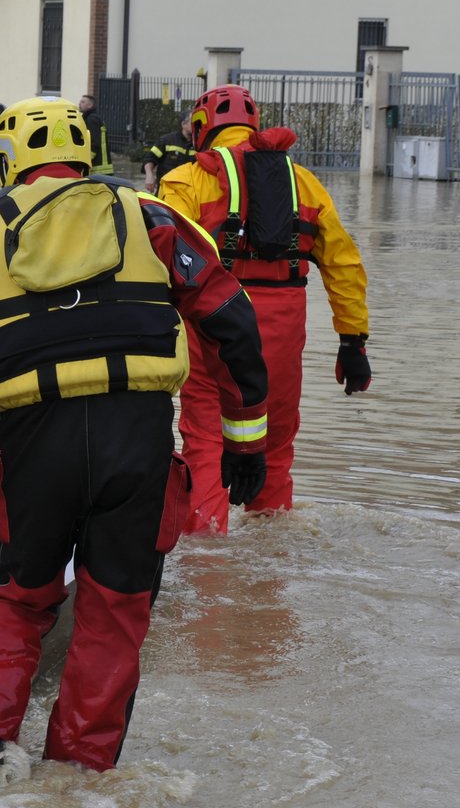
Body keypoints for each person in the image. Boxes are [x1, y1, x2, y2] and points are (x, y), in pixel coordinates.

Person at [0, 97, 269, 772]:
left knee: (18, 600)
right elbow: (233, 324)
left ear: (6, 161)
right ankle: (77, 785)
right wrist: (245, 444)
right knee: (114, 613)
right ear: (88, 154)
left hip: (32, 447)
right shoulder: (153, 221)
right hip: (136, 444)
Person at [158, 84, 371, 528]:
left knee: (206, 441)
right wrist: (353, 342)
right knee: (274, 448)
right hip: (285, 328)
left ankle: (207, 563)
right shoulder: (306, 183)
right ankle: (269, 570)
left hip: (213, 325)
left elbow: (160, 257)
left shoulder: (185, 180)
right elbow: (343, 262)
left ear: (202, 129)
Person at [141, 114, 195, 194]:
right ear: (183, 124)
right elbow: (150, 158)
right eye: (193, 122)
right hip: (166, 191)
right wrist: (149, 176)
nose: (196, 125)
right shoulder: (167, 140)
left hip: (188, 193)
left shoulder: (200, 144)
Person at [77, 94, 112, 175]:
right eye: (80, 101)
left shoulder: (91, 119)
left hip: (98, 166)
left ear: (90, 105)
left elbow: (94, 143)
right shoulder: (91, 118)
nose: (79, 104)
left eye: (83, 102)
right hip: (100, 166)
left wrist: (86, 160)